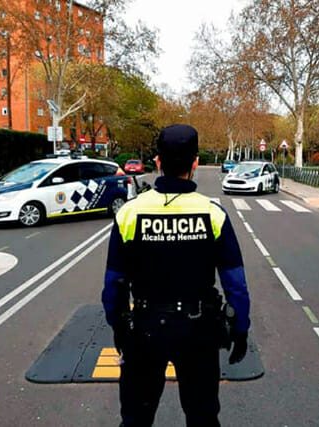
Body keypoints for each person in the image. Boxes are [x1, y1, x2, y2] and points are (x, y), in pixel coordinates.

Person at [102, 124, 251, 427]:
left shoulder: (130, 212)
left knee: (136, 418)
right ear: (195, 163)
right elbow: (235, 282)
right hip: (198, 332)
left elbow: (113, 282)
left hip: (144, 330)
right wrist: (240, 328)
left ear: (157, 162)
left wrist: (118, 325)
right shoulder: (213, 215)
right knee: (202, 417)